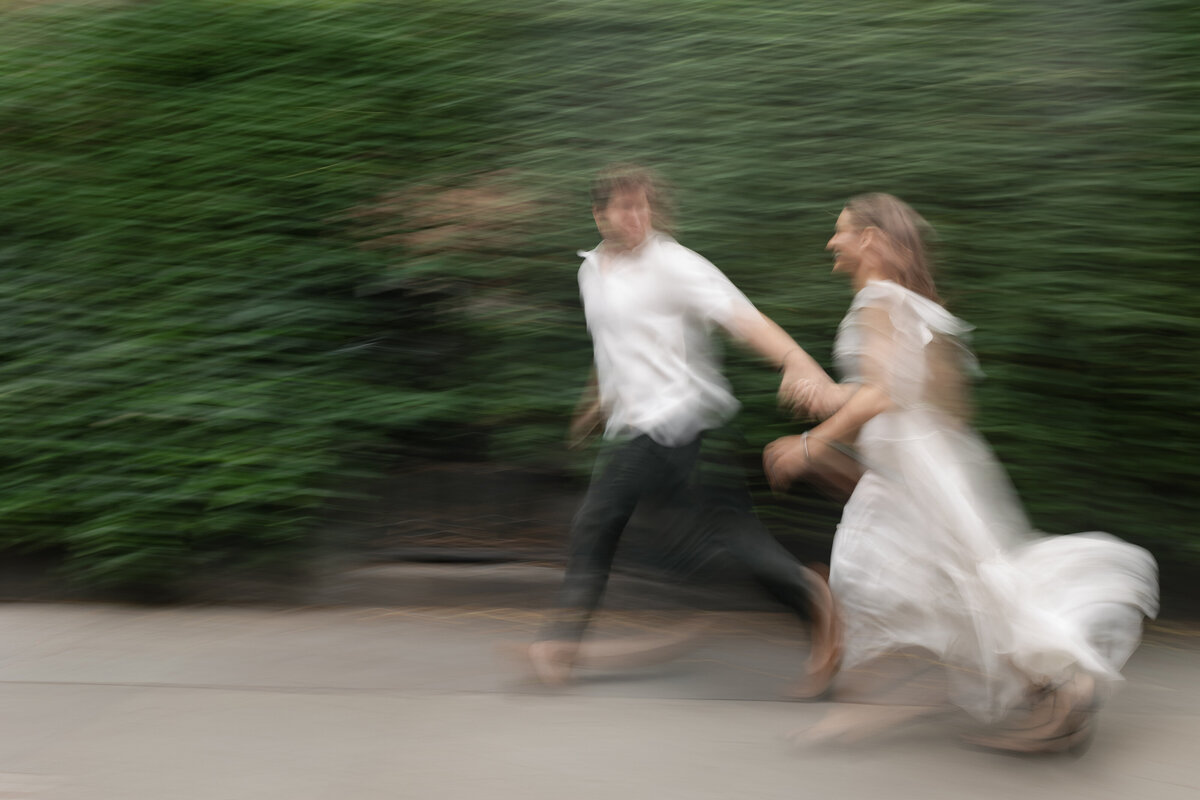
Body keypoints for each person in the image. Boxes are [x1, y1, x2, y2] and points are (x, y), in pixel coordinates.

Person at [764, 193, 1159, 752]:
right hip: (932, 464)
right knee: (956, 586)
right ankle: (1058, 690)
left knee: (893, 581)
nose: (833, 242)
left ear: (870, 240)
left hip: (911, 475)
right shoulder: (913, 304)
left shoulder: (877, 299)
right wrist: (829, 397)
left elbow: (879, 395)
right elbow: (927, 400)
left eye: (841, 231)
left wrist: (810, 445)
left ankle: (1061, 685)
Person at [528, 164, 841, 691]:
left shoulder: (675, 264)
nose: (637, 216)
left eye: (643, 205)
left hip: (682, 420)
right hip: (638, 426)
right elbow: (615, 347)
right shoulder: (590, 272)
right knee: (729, 535)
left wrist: (796, 360)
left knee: (598, 523)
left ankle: (560, 644)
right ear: (598, 214)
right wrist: (595, 401)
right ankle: (813, 600)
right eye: (625, 207)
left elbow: (743, 319)